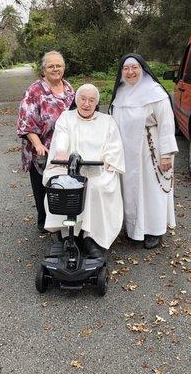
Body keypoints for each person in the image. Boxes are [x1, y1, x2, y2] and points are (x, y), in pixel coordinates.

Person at [43, 84, 125, 258]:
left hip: (97, 170)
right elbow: (62, 136)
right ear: (76, 99)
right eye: (83, 99)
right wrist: (61, 151)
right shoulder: (66, 117)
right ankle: (65, 234)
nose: (86, 104)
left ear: (97, 103)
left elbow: (114, 146)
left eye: (91, 100)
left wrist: (108, 160)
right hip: (69, 168)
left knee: (95, 187)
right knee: (59, 183)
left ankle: (91, 237)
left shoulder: (107, 121)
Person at [109, 54, 178, 249]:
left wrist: (166, 155)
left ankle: (154, 231)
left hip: (150, 150)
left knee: (151, 190)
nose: (130, 72)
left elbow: (166, 124)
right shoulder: (120, 93)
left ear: (143, 69)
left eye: (134, 68)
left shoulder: (155, 93)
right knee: (129, 191)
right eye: (126, 68)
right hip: (125, 152)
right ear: (121, 71)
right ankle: (133, 229)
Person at [16, 51, 75, 233]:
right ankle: (44, 222)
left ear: (64, 68)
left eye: (59, 65)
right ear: (44, 69)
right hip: (42, 149)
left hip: (63, 149)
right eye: (51, 66)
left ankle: (61, 220)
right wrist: (37, 144)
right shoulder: (35, 90)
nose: (55, 69)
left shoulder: (69, 89)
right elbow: (26, 121)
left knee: (62, 185)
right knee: (43, 187)